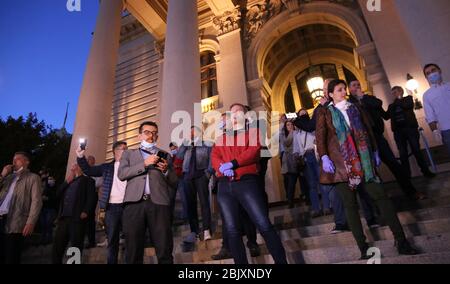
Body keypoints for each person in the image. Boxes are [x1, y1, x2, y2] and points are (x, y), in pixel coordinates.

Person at [316, 79, 418, 259]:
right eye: (339, 90)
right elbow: (320, 135)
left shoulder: (356, 108)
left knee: (381, 196)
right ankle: (363, 248)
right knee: (350, 205)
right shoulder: (325, 112)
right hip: (341, 165)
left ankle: (401, 241)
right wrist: (324, 156)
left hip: (364, 160)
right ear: (330, 94)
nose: (343, 92)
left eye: (344, 89)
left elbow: (368, 129)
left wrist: (375, 151)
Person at [211, 103, 287, 264]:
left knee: (263, 223)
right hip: (225, 185)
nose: (234, 114)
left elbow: (252, 152)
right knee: (232, 230)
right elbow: (215, 156)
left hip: (246, 182)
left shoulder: (253, 132)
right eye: (232, 113)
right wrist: (222, 168)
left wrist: (233, 163)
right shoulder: (222, 137)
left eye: (238, 111)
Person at [348, 80, 426, 200]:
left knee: (394, 163)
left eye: (358, 84)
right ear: (349, 89)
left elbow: (378, 104)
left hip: (378, 137)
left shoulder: (368, 98)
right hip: (363, 140)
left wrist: (363, 97)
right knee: (370, 170)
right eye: (354, 85)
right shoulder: (349, 103)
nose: (357, 87)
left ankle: (411, 191)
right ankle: (380, 198)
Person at [118, 121, 178, 264]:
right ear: (139, 136)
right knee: (133, 250)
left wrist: (166, 171)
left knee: (164, 248)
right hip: (134, 204)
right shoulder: (128, 154)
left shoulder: (165, 155)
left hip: (159, 203)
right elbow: (122, 174)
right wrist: (144, 164)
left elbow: (174, 181)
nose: (151, 135)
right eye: (147, 132)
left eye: (154, 133)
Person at [76, 141, 128, 264]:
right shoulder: (106, 167)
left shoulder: (131, 166)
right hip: (111, 208)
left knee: (131, 239)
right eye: (123, 149)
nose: (126, 151)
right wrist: (80, 156)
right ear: (115, 151)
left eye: (127, 149)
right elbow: (88, 170)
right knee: (112, 241)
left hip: (128, 207)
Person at [0, 152, 42, 264]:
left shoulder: (33, 178)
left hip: (16, 221)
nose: (14, 162)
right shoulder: (8, 178)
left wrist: (31, 222)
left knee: (11, 256)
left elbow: (36, 201)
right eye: (13, 159)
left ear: (26, 162)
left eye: (18, 159)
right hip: (1, 218)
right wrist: (2, 175)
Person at [387, 86, 435, 178]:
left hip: (410, 129)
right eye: (392, 93)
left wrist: (398, 100)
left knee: (416, 150)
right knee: (403, 154)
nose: (394, 94)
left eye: (395, 92)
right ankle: (406, 176)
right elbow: (386, 116)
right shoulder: (391, 106)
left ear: (401, 92)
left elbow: (407, 106)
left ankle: (426, 172)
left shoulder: (408, 99)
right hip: (398, 132)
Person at [52, 163, 96, 264]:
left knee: (76, 246)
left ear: (81, 168)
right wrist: (66, 182)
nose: (73, 166)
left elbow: (91, 198)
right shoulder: (68, 181)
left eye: (76, 165)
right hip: (63, 218)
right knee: (57, 245)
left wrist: (86, 211)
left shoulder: (88, 181)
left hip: (77, 218)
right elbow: (57, 194)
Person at [177, 126, 213, 242]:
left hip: (201, 175)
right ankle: (194, 231)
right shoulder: (187, 146)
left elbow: (211, 161)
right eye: (190, 133)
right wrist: (185, 142)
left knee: (204, 202)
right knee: (190, 205)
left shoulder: (207, 144)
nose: (192, 135)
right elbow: (179, 156)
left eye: (193, 133)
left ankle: (206, 229)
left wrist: (208, 174)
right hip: (188, 176)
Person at [293, 109, 332, 217]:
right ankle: (316, 208)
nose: (303, 115)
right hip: (306, 157)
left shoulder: (314, 127)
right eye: (301, 114)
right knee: (312, 185)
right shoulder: (297, 133)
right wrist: (298, 158)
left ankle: (326, 207)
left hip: (317, 155)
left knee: (323, 182)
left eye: (305, 113)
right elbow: (296, 149)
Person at [423, 63, 450, 156]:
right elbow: (430, 116)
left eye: (433, 70)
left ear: (439, 71)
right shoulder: (427, 95)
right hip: (446, 130)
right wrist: (434, 131)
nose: (431, 74)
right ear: (426, 77)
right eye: (428, 73)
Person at [281, 120, 299, 209]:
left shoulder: (297, 132)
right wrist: (292, 132)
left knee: (302, 180)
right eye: (288, 125)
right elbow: (286, 143)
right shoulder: (283, 135)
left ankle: (307, 198)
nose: (290, 126)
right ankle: (290, 201)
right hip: (288, 161)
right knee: (291, 182)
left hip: (298, 159)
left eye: (291, 124)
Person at [39, 175, 58, 245]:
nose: (50, 180)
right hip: (43, 208)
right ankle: (42, 239)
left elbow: (55, 198)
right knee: (43, 225)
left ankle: (49, 239)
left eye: (51, 179)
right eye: (49, 179)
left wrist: (48, 198)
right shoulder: (44, 188)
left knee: (48, 224)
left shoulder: (55, 188)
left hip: (51, 209)